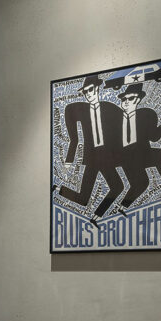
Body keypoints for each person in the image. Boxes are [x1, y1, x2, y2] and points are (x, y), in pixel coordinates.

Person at [57, 74, 124, 220]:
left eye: (91, 89)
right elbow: (69, 115)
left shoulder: (109, 108)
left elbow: (126, 124)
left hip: (106, 157)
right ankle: (57, 189)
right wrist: (69, 161)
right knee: (83, 199)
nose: (88, 94)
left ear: (97, 88)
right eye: (85, 91)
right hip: (92, 158)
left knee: (118, 187)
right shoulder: (82, 110)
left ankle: (97, 215)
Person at [116, 83, 161, 208]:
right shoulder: (115, 119)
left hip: (143, 153)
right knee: (142, 183)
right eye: (124, 99)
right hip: (125, 157)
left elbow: (154, 137)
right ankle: (122, 207)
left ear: (138, 100)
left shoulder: (146, 115)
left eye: (131, 98)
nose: (126, 101)